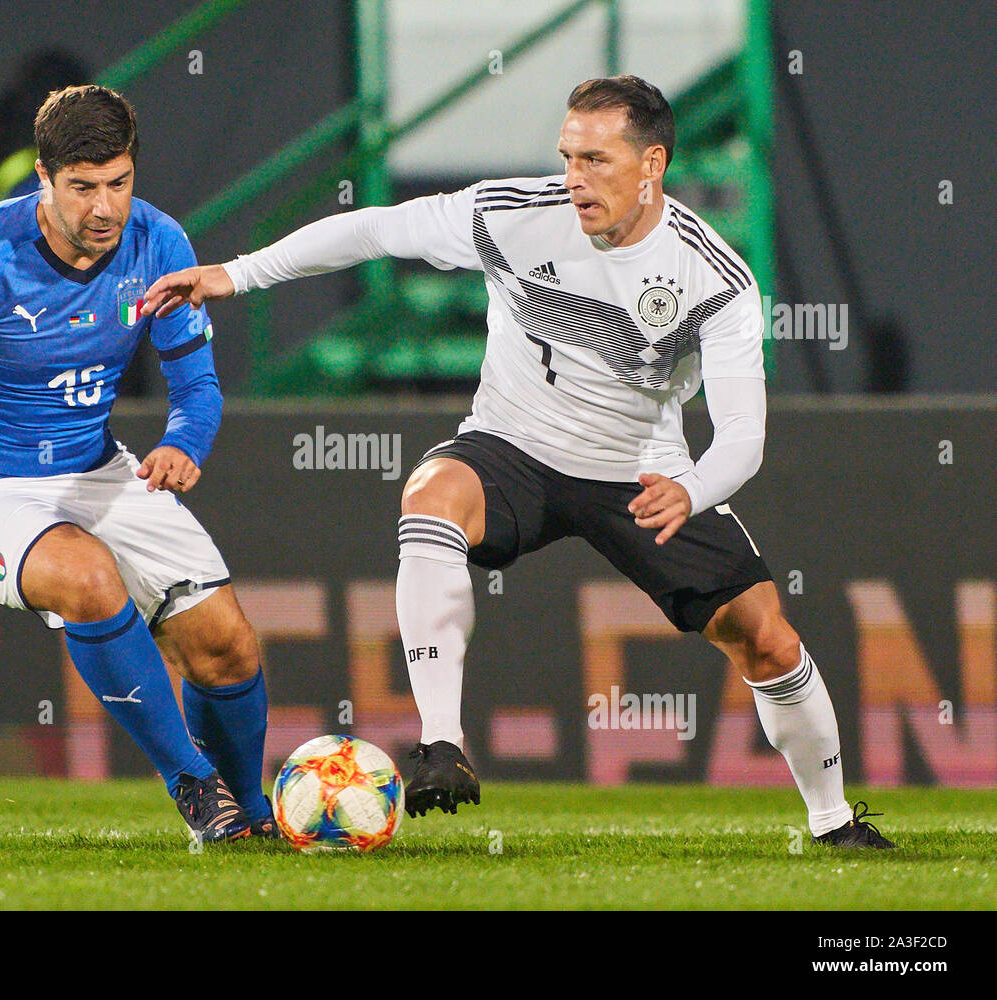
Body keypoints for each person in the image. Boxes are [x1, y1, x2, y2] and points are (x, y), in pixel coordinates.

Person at [142, 75, 894, 849]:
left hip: (638, 472)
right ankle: (442, 741)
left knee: (765, 636)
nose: (575, 178)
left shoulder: (715, 279)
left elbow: (744, 435)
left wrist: (691, 487)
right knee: (431, 493)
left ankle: (834, 820)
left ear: (653, 166)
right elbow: (374, 230)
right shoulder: (511, 218)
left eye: (598, 160)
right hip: (513, 446)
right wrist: (235, 274)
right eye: (568, 156)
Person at [0, 84, 275, 843]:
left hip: (95, 473)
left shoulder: (159, 246)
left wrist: (185, 443)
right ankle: (192, 784)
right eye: (82, 187)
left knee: (227, 645)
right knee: (87, 578)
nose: (104, 207)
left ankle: (251, 817)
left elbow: (196, 385)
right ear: (43, 179)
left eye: (118, 183)